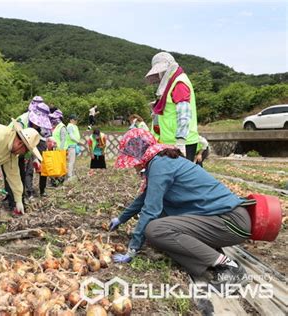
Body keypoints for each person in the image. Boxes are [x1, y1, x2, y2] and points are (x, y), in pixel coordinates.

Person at [109, 129, 250, 291]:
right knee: (160, 224)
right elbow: (145, 199)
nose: (133, 167)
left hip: (231, 220)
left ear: (139, 155)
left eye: (132, 161)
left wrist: (133, 249)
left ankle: (231, 268)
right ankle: (213, 262)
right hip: (221, 219)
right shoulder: (162, 160)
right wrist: (121, 219)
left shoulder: (159, 165)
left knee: (155, 229)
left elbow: (150, 209)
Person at [145, 52, 199, 162]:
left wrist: (180, 142)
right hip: (170, 141)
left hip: (179, 142)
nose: (160, 75)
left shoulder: (179, 83)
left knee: (180, 177)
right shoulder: (172, 82)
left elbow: (184, 113)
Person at [6, 101, 52, 205]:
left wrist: (34, 158)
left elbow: (30, 143)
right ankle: (12, 202)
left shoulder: (33, 125)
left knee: (22, 173)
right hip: (9, 148)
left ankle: (20, 199)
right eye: (38, 123)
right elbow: (16, 141)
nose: (39, 126)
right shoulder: (23, 121)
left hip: (20, 151)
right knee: (12, 174)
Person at [49, 110, 67, 187]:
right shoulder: (56, 126)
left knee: (60, 166)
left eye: (55, 118)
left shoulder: (62, 127)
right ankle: (55, 181)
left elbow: (63, 139)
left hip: (60, 150)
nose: (53, 120)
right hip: (55, 149)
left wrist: (60, 149)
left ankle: (60, 181)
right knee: (54, 166)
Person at [65, 114, 81, 180]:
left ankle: (72, 173)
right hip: (71, 146)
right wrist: (77, 141)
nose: (76, 121)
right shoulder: (70, 126)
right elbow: (71, 136)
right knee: (71, 161)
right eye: (75, 120)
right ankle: (70, 175)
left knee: (73, 161)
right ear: (71, 120)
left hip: (74, 145)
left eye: (76, 120)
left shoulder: (74, 126)